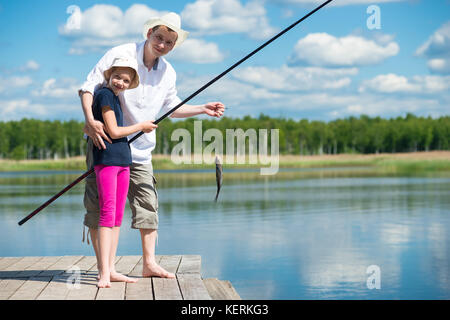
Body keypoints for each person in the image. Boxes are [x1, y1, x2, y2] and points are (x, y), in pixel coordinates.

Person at [79, 12, 225, 279]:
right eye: (159, 38)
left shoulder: (168, 72)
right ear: (148, 34)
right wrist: (90, 120)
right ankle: (106, 269)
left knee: (148, 204)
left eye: (169, 42)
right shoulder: (121, 54)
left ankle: (149, 264)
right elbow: (88, 87)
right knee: (101, 206)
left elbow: (171, 108)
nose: (162, 45)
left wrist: (202, 108)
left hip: (142, 149)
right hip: (107, 146)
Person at [91, 56, 158, 288]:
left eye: (126, 80)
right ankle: (103, 273)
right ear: (110, 75)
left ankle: (112, 269)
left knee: (118, 217)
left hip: (123, 161)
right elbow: (113, 130)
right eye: (118, 76)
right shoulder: (104, 95)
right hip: (107, 161)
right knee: (107, 214)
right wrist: (141, 126)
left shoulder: (117, 98)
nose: (121, 82)